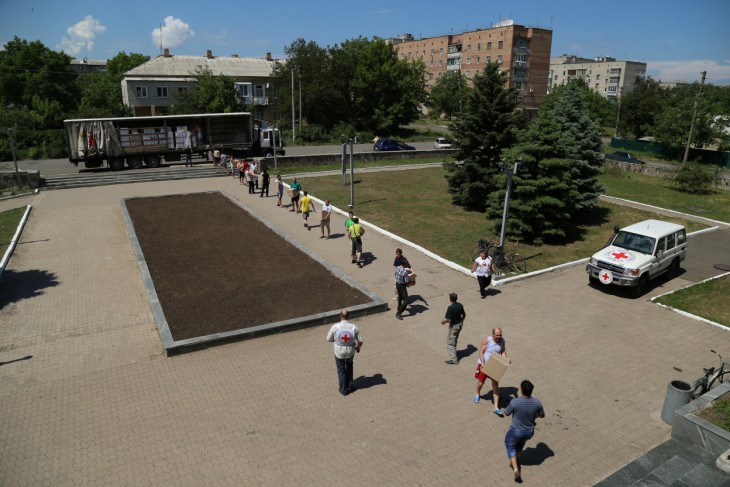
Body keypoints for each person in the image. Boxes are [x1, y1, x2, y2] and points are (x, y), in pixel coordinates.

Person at [504, 380, 545, 482]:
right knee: (520, 445)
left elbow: (506, 413)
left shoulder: (515, 401)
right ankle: (514, 460)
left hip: (515, 431)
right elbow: (542, 415)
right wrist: (534, 415)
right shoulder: (537, 402)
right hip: (528, 432)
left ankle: (516, 469)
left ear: (522, 390)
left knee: (509, 446)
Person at [474, 327, 511, 414]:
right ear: (493, 334)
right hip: (485, 364)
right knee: (481, 382)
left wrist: (506, 359)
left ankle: (496, 407)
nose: (499, 337)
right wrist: (482, 363)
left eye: (500, 335)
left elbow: (502, 351)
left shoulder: (502, 341)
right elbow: (481, 351)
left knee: (495, 385)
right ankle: (477, 393)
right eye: (497, 335)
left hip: (494, 365)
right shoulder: (487, 341)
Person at [326, 309, 363, 396]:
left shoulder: (335, 327)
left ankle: (343, 389)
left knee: (341, 370)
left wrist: (335, 340)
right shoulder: (354, 327)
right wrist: (358, 347)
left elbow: (328, 339)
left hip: (339, 352)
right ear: (348, 316)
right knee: (349, 367)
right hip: (350, 351)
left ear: (340, 316)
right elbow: (360, 341)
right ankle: (350, 385)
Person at [441, 292, 466, 364]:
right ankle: (454, 352)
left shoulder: (450, 308)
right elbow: (464, 314)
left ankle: (454, 360)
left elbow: (449, 320)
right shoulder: (460, 305)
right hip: (459, 325)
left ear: (450, 299)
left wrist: (443, 322)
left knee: (450, 342)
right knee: (455, 339)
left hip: (454, 326)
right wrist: (461, 321)